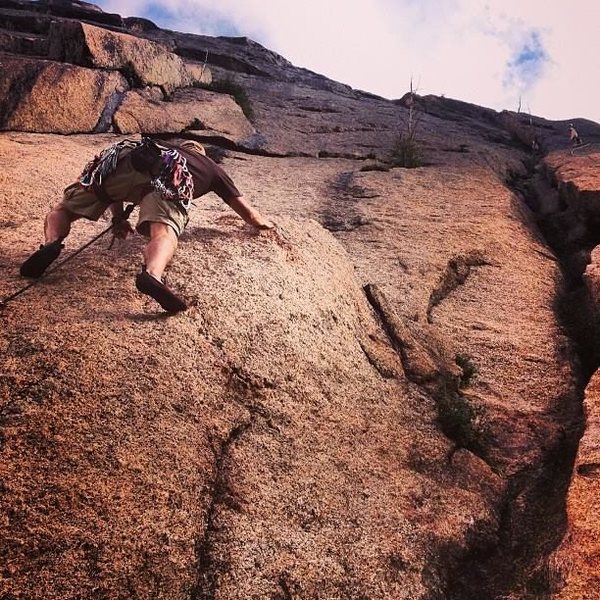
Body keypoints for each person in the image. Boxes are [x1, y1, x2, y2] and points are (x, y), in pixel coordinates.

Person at [20, 138, 274, 313]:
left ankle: (51, 243)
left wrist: (118, 218)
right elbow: (250, 215)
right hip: (170, 175)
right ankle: (152, 275)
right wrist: (264, 224)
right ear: (200, 153)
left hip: (127, 159)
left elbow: (114, 193)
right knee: (163, 232)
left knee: (64, 208)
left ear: (184, 146)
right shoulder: (210, 167)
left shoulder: (162, 145)